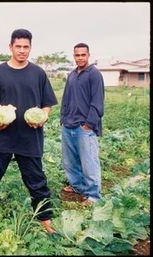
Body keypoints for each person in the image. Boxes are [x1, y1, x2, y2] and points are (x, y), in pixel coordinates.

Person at [0, 29, 58, 234]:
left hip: (30, 137)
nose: (22, 51)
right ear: (10, 47)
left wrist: (43, 118)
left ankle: (45, 220)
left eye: (26, 47)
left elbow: (47, 105)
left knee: (36, 179)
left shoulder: (38, 73)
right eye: (18, 46)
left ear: (30, 48)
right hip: (1, 136)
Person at [60, 43, 105, 205]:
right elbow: (66, 98)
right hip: (68, 125)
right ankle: (77, 186)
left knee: (89, 161)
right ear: (74, 56)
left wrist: (89, 124)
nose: (80, 58)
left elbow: (98, 102)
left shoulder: (94, 74)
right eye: (77, 55)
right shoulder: (72, 74)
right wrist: (62, 119)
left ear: (88, 55)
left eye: (82, 55)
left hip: (84, 126)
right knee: (70, 161)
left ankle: (93, 195)